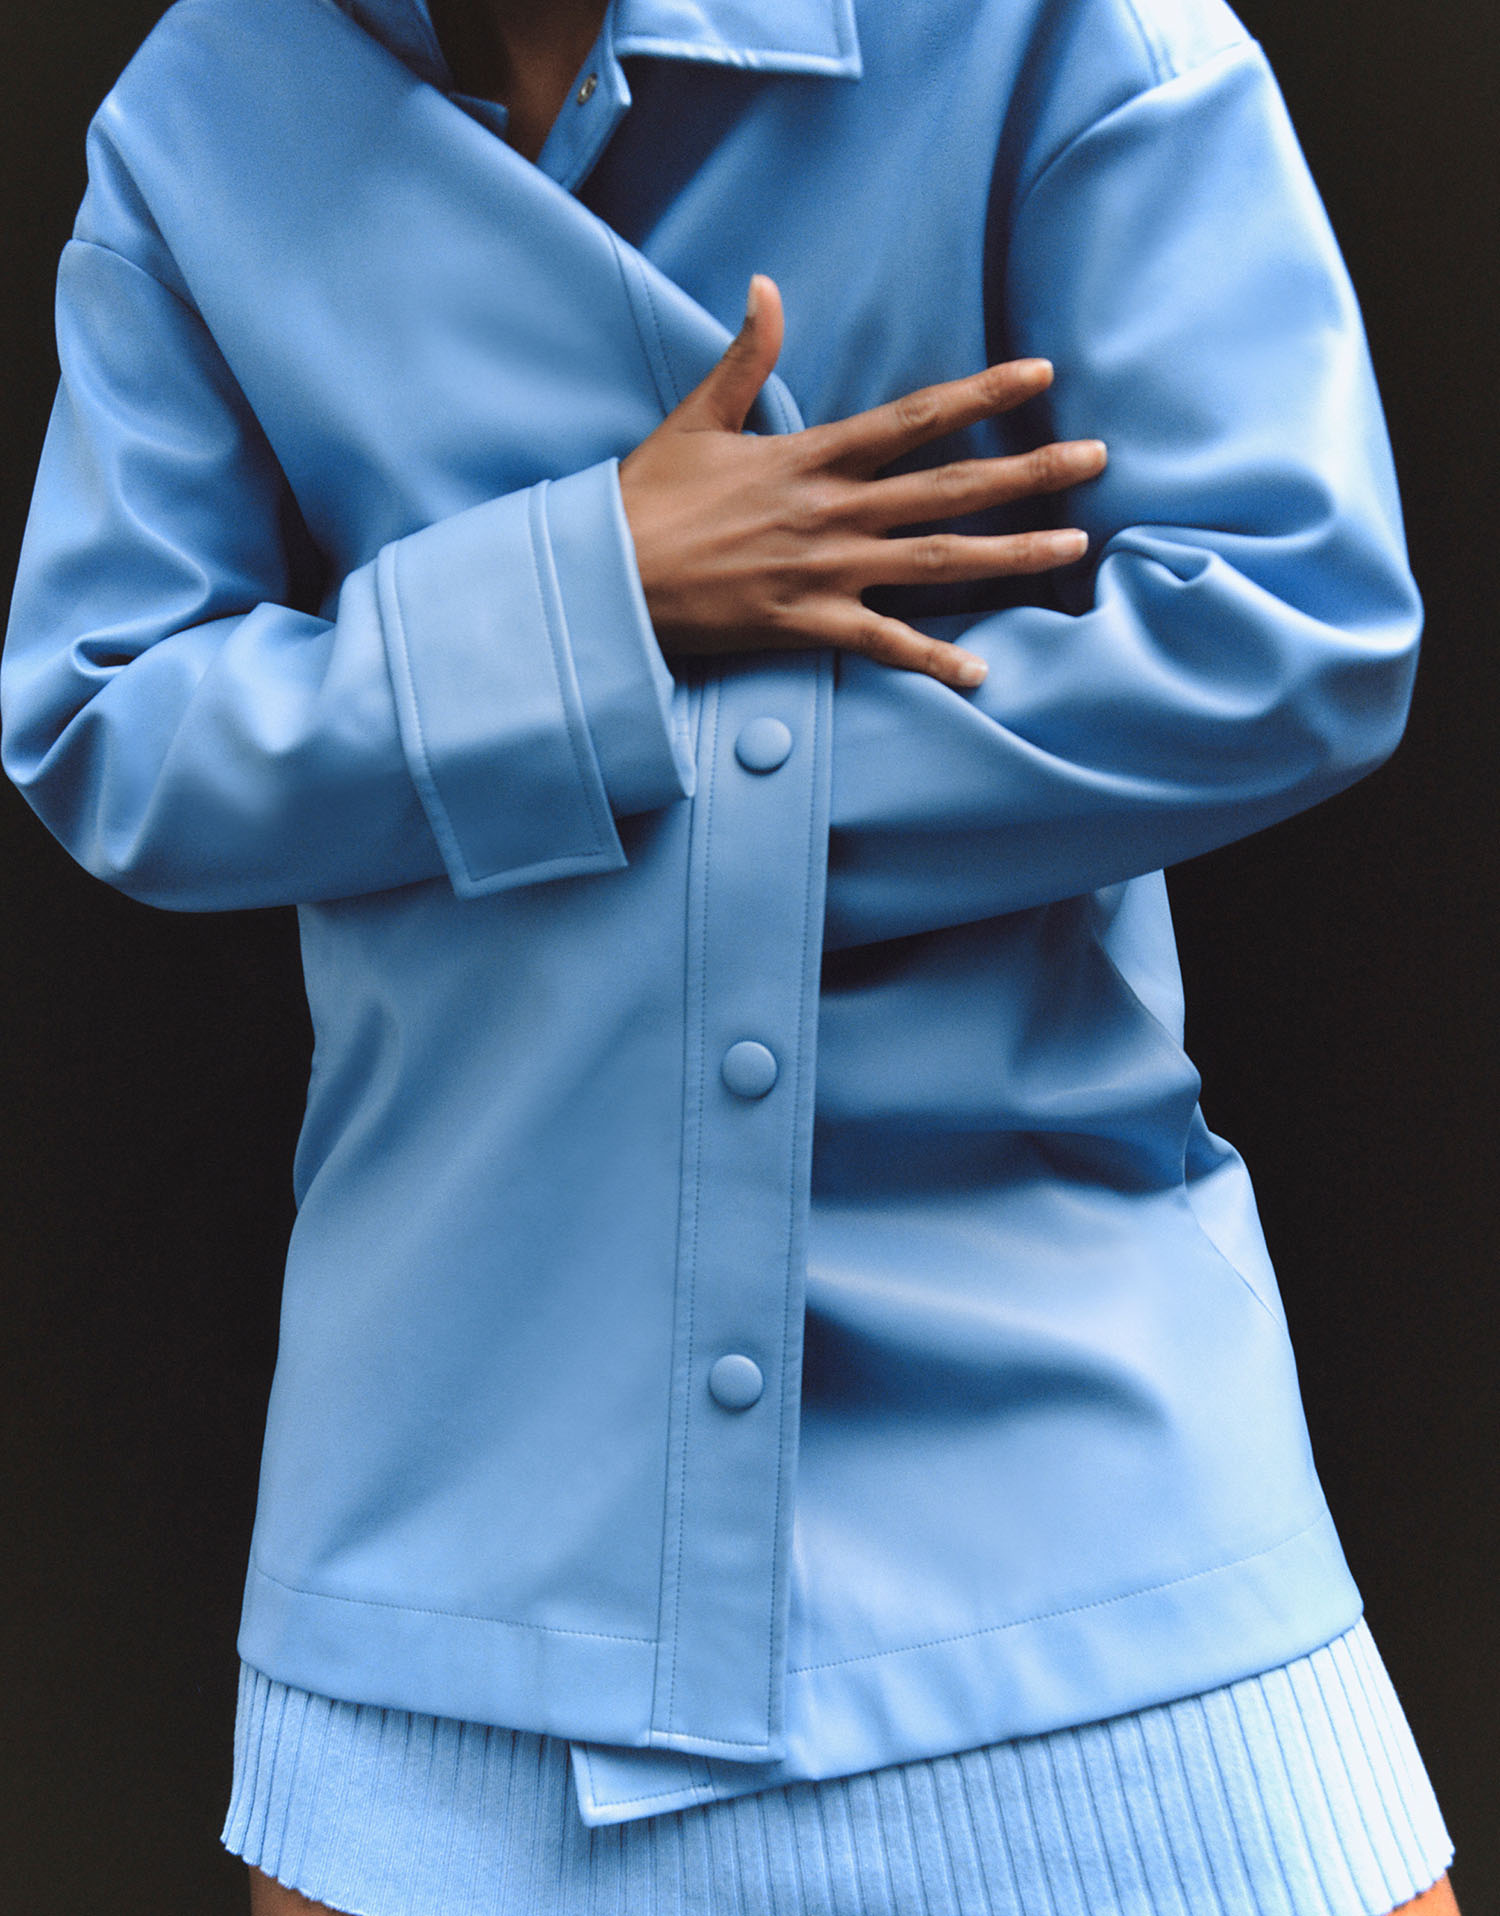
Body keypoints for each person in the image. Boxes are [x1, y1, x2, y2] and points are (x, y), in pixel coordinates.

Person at [0, 0, 1461, 1910]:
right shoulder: (202, 112)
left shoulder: (1054, 31)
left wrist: (548, 724)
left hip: (1078, 1490)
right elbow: (107, 727)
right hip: (450, 1538)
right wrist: (592, 583)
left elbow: (1292, 629)